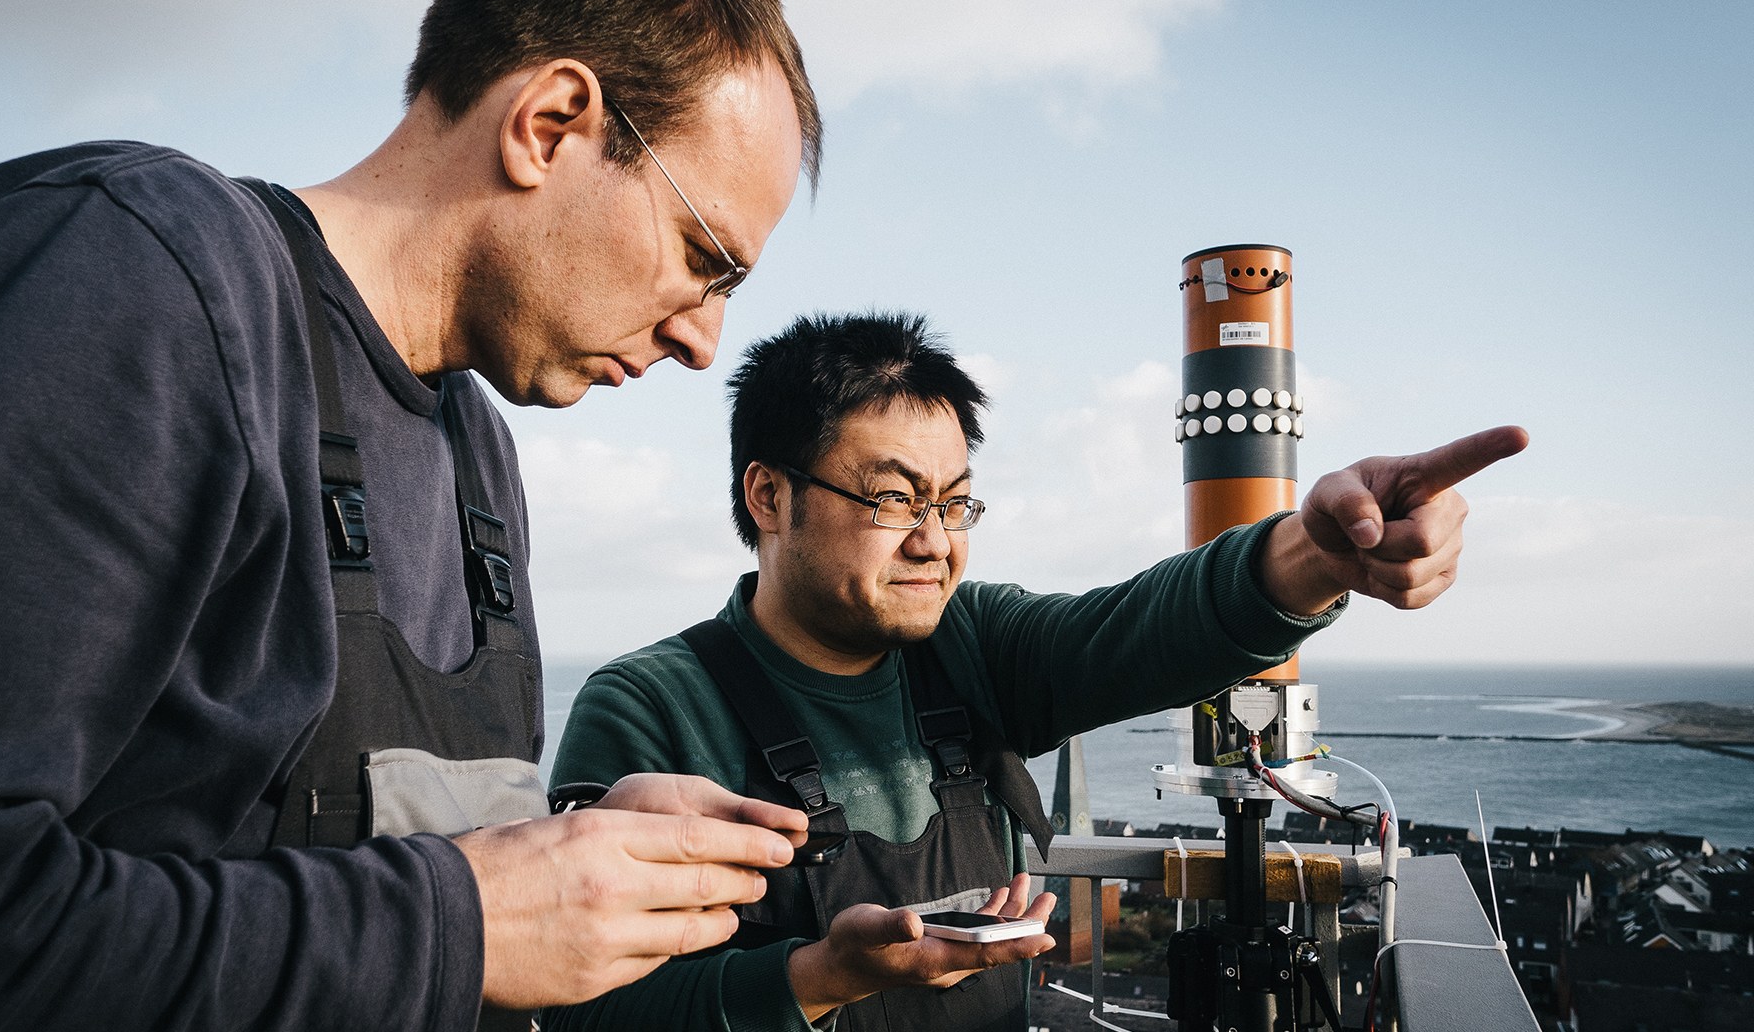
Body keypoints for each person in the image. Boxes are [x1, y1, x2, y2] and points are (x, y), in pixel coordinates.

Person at [0, 0, 827, 1030]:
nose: (701, 338)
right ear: (549, 124)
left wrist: (569, 844)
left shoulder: (479, 450)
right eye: (702, 255)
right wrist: (465, 923)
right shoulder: (141, 284)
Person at [548, 311, 1529, 1031]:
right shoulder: (650, 710)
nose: (936, 543)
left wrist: (1317, 555)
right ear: (769, 495)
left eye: (957, 504)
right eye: (896, 499)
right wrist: (819, 977)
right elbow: (593, 1008)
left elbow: (1146, 627)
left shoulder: (972, 645)